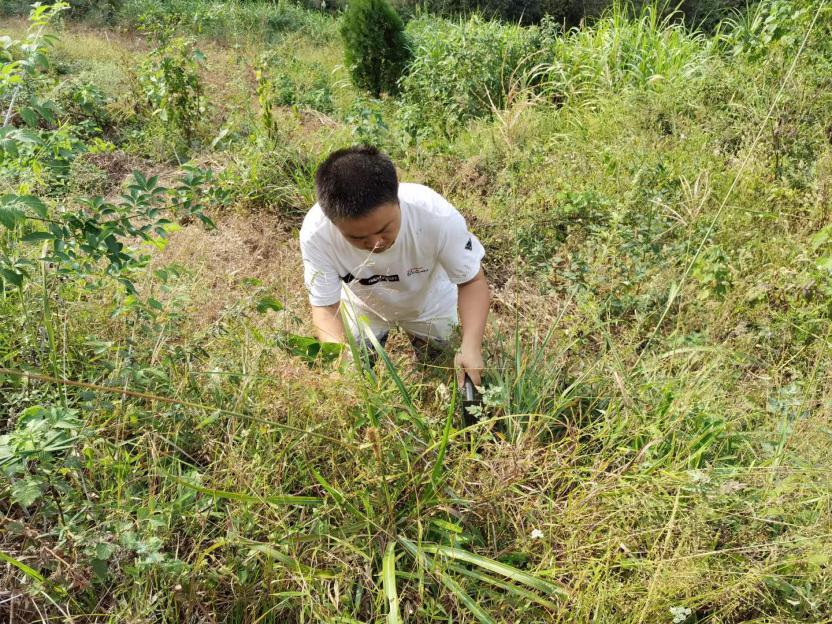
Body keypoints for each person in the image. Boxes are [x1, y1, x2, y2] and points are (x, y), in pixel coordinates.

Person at [299, 145, 490, 386]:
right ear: (333, 222)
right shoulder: (317, 234)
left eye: (384, 229)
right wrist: (339, 365)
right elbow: (325, 306)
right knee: (356, 369)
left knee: (440, 361)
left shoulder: (435, 216)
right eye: (358, 238)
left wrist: (471, 345)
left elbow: (472, 281)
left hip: (429, 304)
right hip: (363, 308)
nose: (376, 243)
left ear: (397, 193)